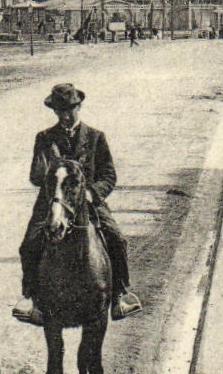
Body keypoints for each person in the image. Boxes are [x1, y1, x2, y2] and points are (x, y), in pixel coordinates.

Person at [14, 83, 142, 325]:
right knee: (30, 243)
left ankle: (119, 296)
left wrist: (92, 193)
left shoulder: (95, 138)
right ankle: (30, 299)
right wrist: (47, 165)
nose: (64, 116)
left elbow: (109, 176)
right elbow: (35, 177)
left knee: (117, 238)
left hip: (88, 203)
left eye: (69, 110)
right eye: (59, 111)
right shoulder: (44, 138)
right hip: (54, 201)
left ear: (79, 107)